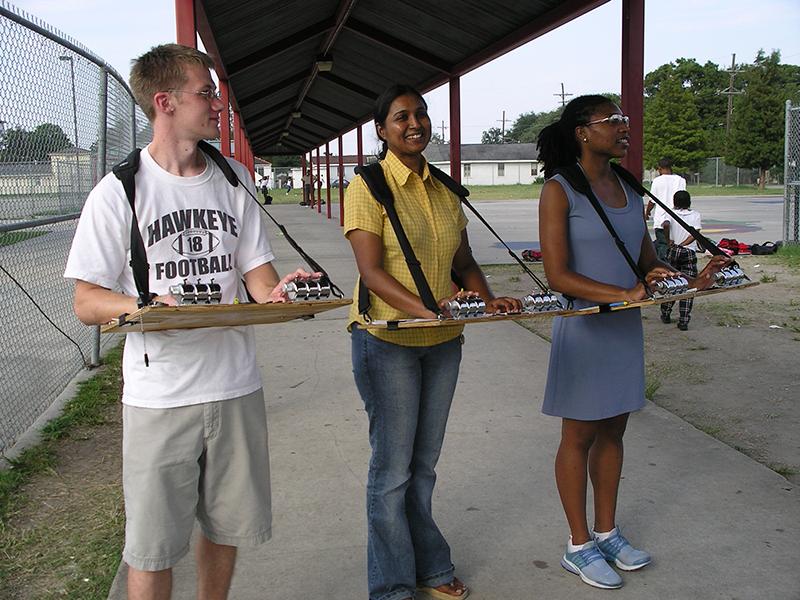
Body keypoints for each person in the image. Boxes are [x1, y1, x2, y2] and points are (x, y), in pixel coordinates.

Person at [63, 44, 314, 600]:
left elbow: (256, 276)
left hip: (235, 386)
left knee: (225, 529)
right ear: (165, 102)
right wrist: (144, 309)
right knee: (151, 547)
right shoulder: (118, 191)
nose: (219, 104)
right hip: (161, 396)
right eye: (207, 93)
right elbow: (86, 301)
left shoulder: (234, 177)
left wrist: (281, 295)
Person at [536, 95, 729, 590]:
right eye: (613, 120)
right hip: (583, 327)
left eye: (625, 119)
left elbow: (643, 258)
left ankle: (608, 532)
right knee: (577, 436)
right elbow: (558, 274)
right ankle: (579, 545)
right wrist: (623, 291)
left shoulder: (625, 183)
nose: (625, 127)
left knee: (614, 433)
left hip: (622, 326)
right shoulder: (560, 190)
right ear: (582, 131)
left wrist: (674, 277)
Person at [344, 84, 521, 600]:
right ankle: (393, 587)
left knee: (422, 467)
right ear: (382, 130)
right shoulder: (368, 186)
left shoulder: (444, 188)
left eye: (420, 114)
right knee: (392, 471)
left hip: (445, 342)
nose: (414, 123)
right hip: (389, 341)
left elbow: (463, 264)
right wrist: (429, 309)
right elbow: (372, 273)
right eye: (401, 117)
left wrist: (485, 301)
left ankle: (429, 568)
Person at [660, 190, 702, 330]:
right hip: (688, 252)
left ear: (674, 201)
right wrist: (684, 244)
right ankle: (683, 320)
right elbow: (695, 233)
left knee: (672, 283)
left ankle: (665, 312)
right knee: (689, 285)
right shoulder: (695, 215)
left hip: (673, 251)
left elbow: (665, 225)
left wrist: (668, 240)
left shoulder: (670, 213)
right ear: (689, 201)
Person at [644, 158, 686, 260]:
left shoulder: (657, 181)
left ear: (659, 168)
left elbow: (652, 200)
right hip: (677, 218)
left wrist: (647, 212)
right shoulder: (680, 180)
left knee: (663, 245)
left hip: (661, 219)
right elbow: (683, 197)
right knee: (676, 244)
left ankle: (664, 267)